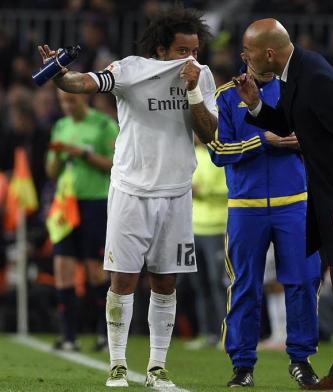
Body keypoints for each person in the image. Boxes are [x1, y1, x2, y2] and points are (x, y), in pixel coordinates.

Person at [38, 6, 217, 388]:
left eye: (196, 50)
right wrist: (57, 71)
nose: (192, 58)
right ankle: (117, 364)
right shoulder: (130, 70)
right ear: (163, 49)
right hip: (131, 191)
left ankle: (157, 367)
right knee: (123, 278)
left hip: (176, 192)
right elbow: (80, 84)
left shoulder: (201, 77)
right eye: (184, 50)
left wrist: (193, 90)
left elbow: (211, 132)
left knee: (166, 281)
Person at [235, 18, 333, 391]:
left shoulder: (316, 76)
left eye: (249, 51)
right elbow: (289, 121)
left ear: (269, 52)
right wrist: (256, 104)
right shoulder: (295, 73)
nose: (245, 58)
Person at [209, 70, 320, 388]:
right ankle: (242, 366)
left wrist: (304, 140)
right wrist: (264, 140)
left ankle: (301, 360)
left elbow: (317, 139)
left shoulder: (297, 88)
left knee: (304, 280)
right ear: (247, 54)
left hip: (295, 203)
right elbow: (218, 151)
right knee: (245, 285)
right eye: (264, 49)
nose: (272, 56)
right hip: (246, 206)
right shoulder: (226, 96)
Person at [46, 90, 118, 351]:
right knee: (62, 267)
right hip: (66, 204)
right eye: (63, 101)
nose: (67, 105)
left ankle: (105, 334)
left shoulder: (103, 125)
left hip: (95, 203)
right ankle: (68, 336)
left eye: (71, 100)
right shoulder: (61, 126)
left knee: (95, 270)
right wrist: (57, 156)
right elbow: (51, 171)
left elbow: (117, 164)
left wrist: (82, 153)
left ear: (83, 97)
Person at [185, 137, 227, 350]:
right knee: (199, 285)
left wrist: (202, 192)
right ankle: (206, 332)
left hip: (216, 228)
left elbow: (228, 191)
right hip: (193, 229)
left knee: (218, 283)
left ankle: (225, 333)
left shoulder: (220, 154)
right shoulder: (189, 154)